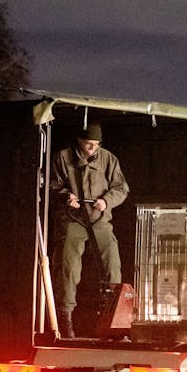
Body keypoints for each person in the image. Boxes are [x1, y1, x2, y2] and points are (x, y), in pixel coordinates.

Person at [48, 122, 129, 338]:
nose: (91, 149)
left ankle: (115, 319)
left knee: (112, 260)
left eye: (95, 145)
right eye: (87, 144)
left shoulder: (108, 159)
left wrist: (106, 201)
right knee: (67, 264)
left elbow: (121, 188)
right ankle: (65, 317)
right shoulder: (63, 158)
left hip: (99, 219)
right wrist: (67, 196)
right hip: (73, 218)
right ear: (79, 141)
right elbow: (51, 184)